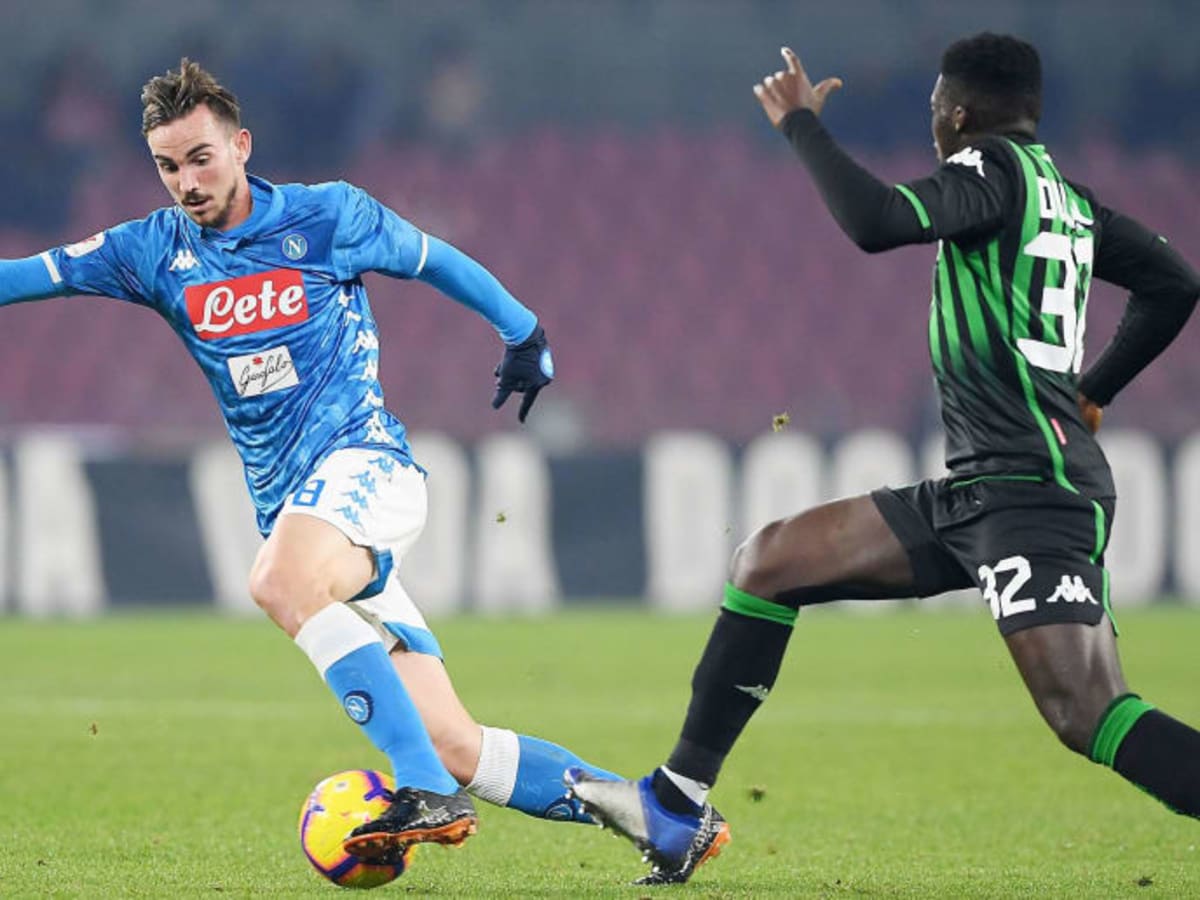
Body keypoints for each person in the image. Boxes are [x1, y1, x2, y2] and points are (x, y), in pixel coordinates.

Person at [567, 33, 1200, 884]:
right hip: (980, 488)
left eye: (936, 109)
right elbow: (1173, 282)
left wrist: (800, 125)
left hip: (1032, 494)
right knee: (769, 562)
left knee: (1088, 714)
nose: (932, 123)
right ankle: (676, 805)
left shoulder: (990, 171)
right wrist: (1096, 390)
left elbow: (875, 222)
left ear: (959, 116)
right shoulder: (1067, 200)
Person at [0, 59, 618, 864]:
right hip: (303, 510)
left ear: (241, 146)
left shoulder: (329, 217)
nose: (186, 182)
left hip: (369, 467)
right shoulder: (152, 250)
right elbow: (29, 276)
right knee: (458, 742)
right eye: (167, 166)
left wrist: (523, 331)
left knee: (278, 582)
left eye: (201, 158)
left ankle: (422, 786)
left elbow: (434, 259)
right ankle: (661, 818)